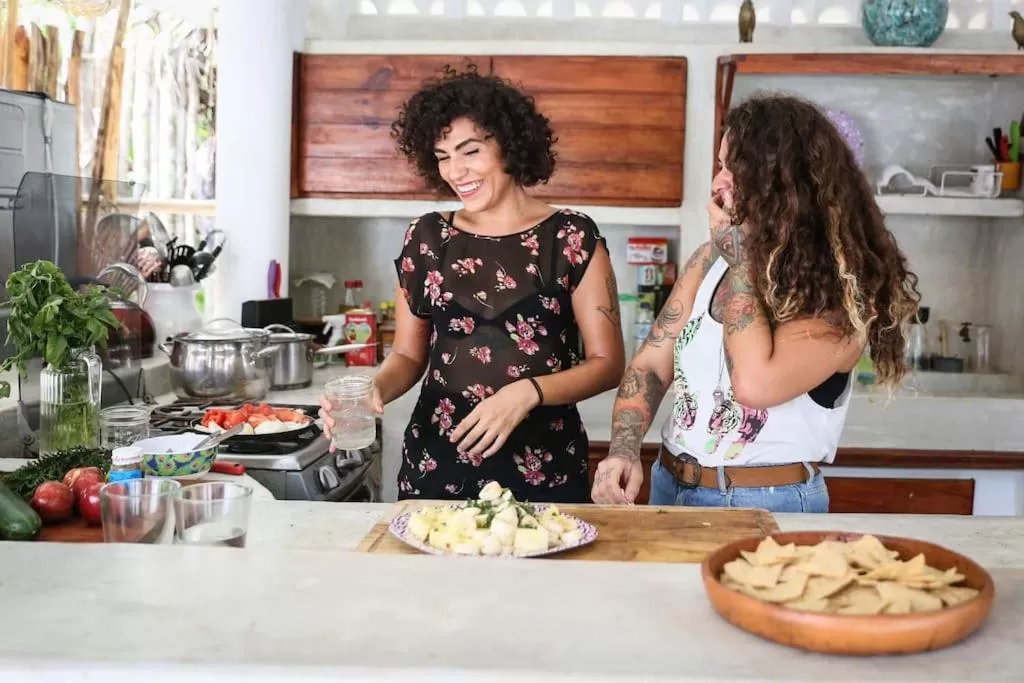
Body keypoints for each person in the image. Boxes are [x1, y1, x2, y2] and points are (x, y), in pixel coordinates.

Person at [591, 93, 921, 512]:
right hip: (669, 486)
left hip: (766, 501)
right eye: (719, 165)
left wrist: (740, 255)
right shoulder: (708, 260)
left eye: (734, 168)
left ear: (783, 180)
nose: (717, 184)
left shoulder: (840, 294)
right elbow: (651, 364)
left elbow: (754, 384)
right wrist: (623, 448)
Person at [320, 66, 625, 503]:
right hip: (438, 459)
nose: (455, 171)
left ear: (510, 145)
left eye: (470, 151)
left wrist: (527, 392)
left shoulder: (571, 237)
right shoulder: (425, 238)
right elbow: (407, 354)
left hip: (543, 463)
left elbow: (608, 363)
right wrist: (375, 388)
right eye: (443, 156)